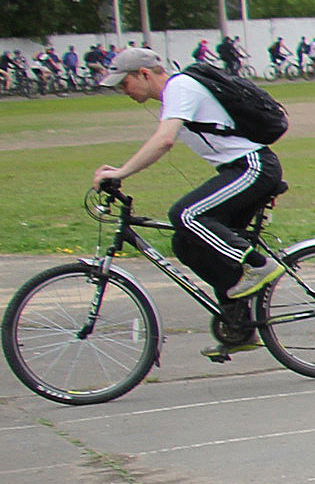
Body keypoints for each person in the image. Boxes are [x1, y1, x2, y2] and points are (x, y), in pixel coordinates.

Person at [90, 45, 287, 344]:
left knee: (185, 214)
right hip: (238, 170)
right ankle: (239, 326)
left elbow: (164, 140)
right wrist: (120, 171)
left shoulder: (180, 87)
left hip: (253, 168)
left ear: (144, 74)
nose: (123, 91)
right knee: (187, 243)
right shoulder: (175, 94)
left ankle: (257, 265)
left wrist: (121, 172)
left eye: (125, 83)